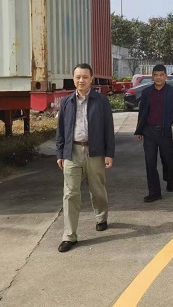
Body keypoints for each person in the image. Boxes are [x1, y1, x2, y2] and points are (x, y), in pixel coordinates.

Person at [56, 63, 115, 253]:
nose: (81, 80)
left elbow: (108, 129)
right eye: (78, 77)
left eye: (85, 77)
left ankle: (101, 217)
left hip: (95, 151)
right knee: (70, 193)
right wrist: (60, 153)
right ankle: (69, 235)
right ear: (73, 78)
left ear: (91, 79)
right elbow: (61, 130)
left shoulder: (101, 101)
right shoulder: (66, 102)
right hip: (72, 152)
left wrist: (109, 153)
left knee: (97, 189)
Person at [134, 64, 173, 202]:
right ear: (152, 77)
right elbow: (142, 112)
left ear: (165, 76)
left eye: (161, 75)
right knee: (150, 162)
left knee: (167, 159)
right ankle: (154, 192)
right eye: (156, 75)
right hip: (149, 131)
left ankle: (169, 179)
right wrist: (139, 129)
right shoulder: (146, 92)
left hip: (166, 131)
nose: (158, 77)